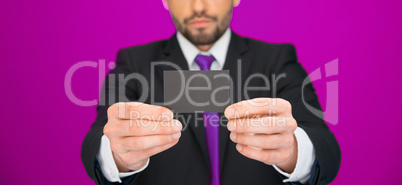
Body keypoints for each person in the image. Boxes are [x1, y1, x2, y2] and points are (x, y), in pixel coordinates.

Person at [81, 0, 341, 184]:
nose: (198, 7)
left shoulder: (276, 60)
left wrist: (293, 150)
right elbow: (97, 139)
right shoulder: (134, 62)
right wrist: (117, 155)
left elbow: (325, 148)